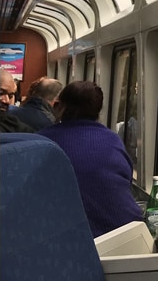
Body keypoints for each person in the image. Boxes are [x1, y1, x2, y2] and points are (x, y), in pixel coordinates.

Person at [38, 80, 142, 237]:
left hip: (61, 239)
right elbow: (125, 182)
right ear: (98, 110)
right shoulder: (112, 141)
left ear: (60, 107)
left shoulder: (40, 143)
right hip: (120, 235)